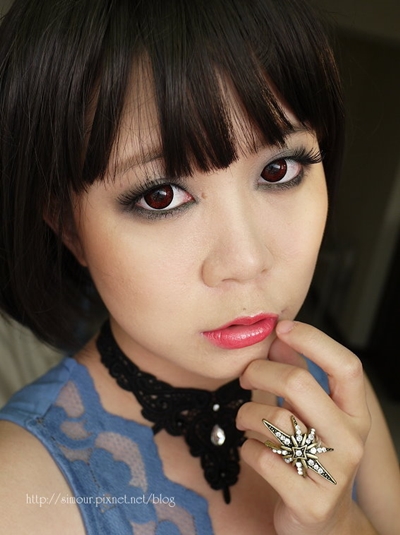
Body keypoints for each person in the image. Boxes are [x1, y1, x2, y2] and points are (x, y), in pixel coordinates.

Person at [0, 0, 399, 533]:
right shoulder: (15, 495)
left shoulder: (332, 392)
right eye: (161, 196)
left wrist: (338, 525)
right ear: (68, 227)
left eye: (279, 169)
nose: (247, 262)